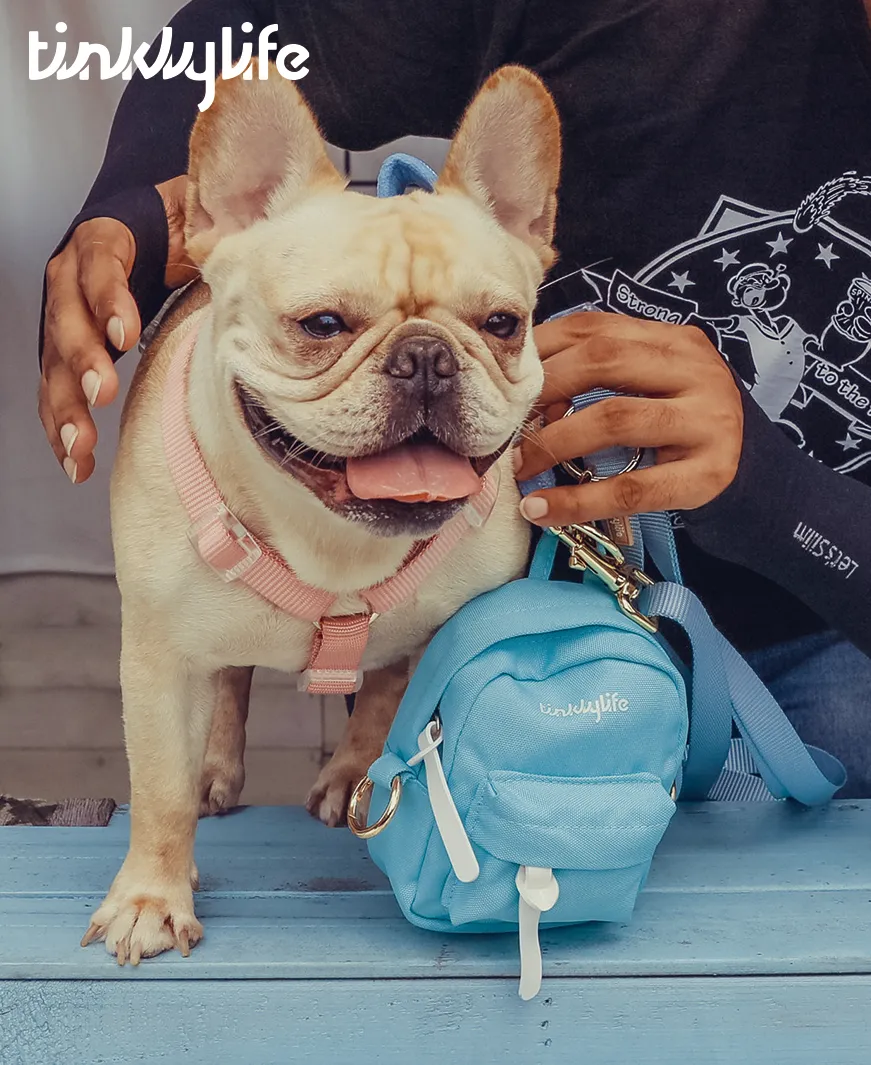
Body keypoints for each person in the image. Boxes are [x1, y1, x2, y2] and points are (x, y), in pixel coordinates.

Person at [38, 0, 871, 794]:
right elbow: (249, 31)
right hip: (525, 611)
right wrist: (132, 217)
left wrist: (772, 491)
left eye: (496, 324)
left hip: (828, 640)